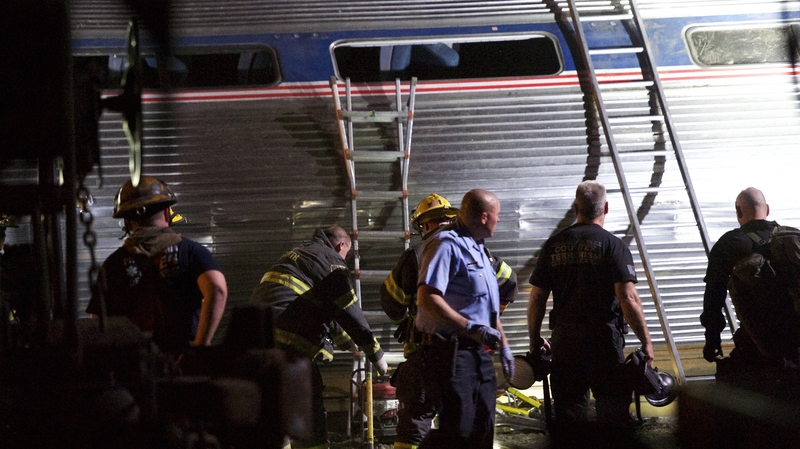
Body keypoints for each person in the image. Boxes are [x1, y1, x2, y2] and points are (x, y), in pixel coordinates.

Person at [381, 193, 518, 449]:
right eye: (497, 216)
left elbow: (392, 305)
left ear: (424, 224)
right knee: (458, 429)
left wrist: (501, 340)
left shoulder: (467, 249)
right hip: (443, 351)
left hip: (463, 350)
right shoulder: (452, 247)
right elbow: (509, 286)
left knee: (472, 425)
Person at [527, 181, 653, 437]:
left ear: (576, 208)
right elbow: (628, 299)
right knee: (613, 416)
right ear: (606, 207)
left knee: (569, 420)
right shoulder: (613, 246)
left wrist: (534, 342)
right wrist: (646, 343)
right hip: (604, 344)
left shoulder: (554, 245)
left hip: (565, 345)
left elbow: (537, 298)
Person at [250, 225, 387, 449]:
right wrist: (374, 351)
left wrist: (344, 340)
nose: (345, 259)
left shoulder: (299, 256)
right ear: (341, 245)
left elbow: (320, 305)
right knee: (310, 418)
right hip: (290, 347)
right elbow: (346, 304)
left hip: (260, 343)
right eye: (346, 254)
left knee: (276, 417)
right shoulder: (328, 258)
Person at [86, 176, 228, 355]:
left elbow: (98, 319)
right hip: (181, 364)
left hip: (136, 367)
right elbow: (217, 288)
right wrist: (199, 348)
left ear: (128, 222)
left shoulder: (113, 263)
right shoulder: (191, 251)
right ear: (167, 213)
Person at [700, 187, 800, 388]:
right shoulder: (794, 238)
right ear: (768, 210)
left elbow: (714, 296)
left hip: (759, 342)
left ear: (738, 212)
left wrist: (712, 339)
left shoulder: (730, 243)